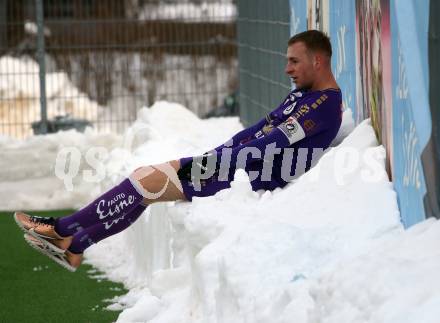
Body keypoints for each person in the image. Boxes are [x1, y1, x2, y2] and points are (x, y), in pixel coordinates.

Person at [14, 30, 343, 272]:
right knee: (144, 188)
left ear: (317, 60)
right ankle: (76, 245)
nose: (288, 68)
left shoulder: (324, 106)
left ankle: (63, 230)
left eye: (294, 61)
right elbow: (256, 131)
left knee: (143, 183)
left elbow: (270, 145)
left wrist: (214, 164)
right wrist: (216, 154)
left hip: (249, 178)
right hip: (233, 168)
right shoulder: (302, 95)